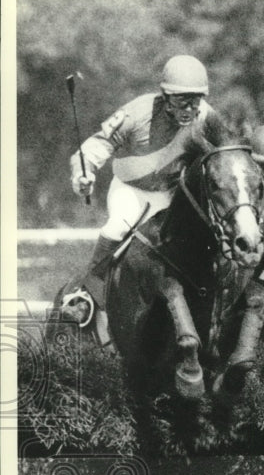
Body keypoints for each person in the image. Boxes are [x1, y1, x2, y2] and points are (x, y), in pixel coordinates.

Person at [62, 55, 228, 342]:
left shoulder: (207, 116)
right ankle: (86, 295)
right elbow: (96, 145)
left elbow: (224, 156)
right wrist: (83, 176)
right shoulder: (136, 112)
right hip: (133, 192)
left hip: (177, 195)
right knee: (117, 227)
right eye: (181, 100)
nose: (190, 108)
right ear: (165, 97)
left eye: (196, 100)